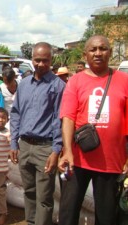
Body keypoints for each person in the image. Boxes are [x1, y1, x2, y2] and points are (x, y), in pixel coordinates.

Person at [58, 35, 128, 225]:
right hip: (78, 160)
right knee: (68, 213)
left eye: (103, 48)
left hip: (111, 162)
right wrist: (67, 151)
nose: (98, 53)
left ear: (110, 52)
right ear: (86, 54)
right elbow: (68, 118)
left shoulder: (124, 80)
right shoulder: (76, 81)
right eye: (93, 49)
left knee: (106, 217)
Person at [9, 42, 65, 225]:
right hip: (24, 146)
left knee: (44, 198)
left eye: (45, 60)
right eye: (37, 60)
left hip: (45, 149)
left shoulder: (58, 86)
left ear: (51, 60)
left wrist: (56, 150)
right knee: (29, 192)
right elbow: (16, 113)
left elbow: (59, 120)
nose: (41, 64)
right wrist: (14, 143)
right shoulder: (24, 85)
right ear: (32, 59)